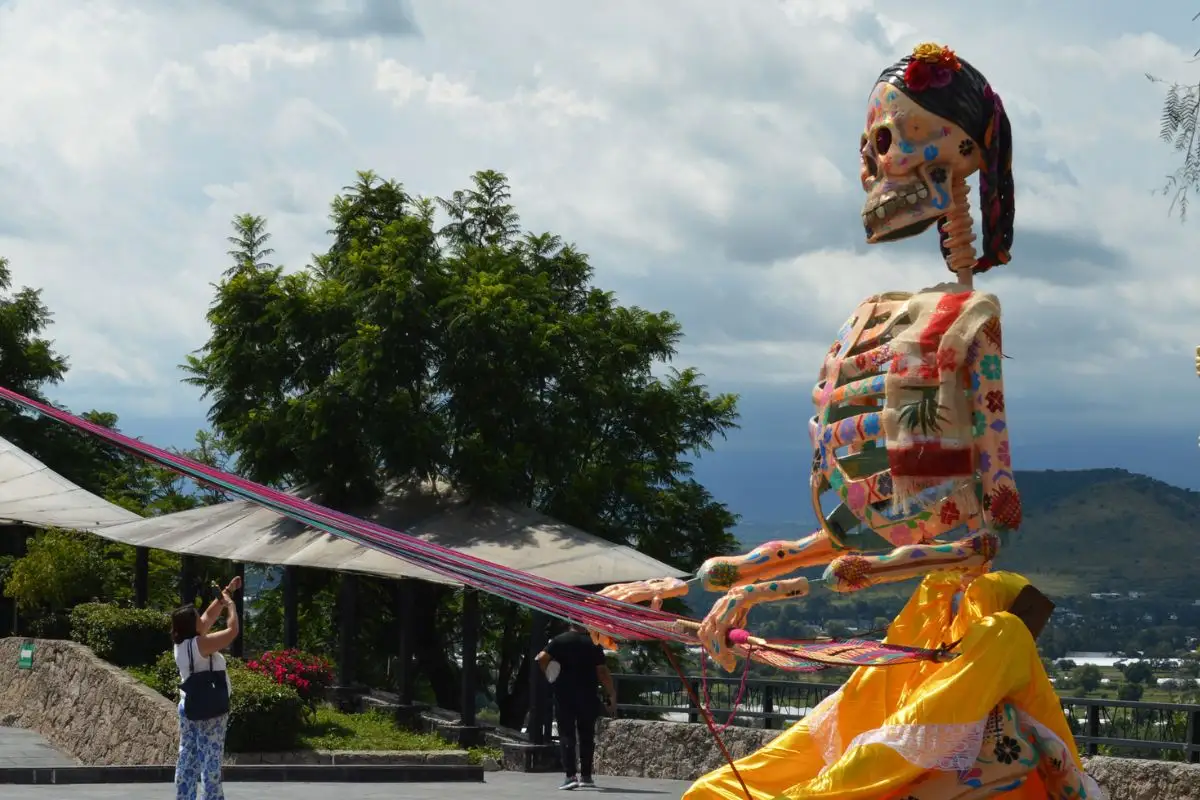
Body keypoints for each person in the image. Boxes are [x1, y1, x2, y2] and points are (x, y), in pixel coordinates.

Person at [171, 576, 242, 800]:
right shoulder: (201, 644)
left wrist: (225, 593)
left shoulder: (182, 644)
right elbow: (232, 631)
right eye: (197, 618)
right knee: (210, 760)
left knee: (187, 757)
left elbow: (208, 617)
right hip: (210, 709)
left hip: (189, 707)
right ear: (192, 626)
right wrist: (231, 606)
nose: (202, 619)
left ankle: (185, 796)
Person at [537, 622, 616, 790]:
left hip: (564, 695)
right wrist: (611, 693)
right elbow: (602, 671)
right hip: (588, 695)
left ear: (569, 622)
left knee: (567, 733)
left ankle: (570, 775)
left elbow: (541, 657)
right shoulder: (593, 643)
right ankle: (586, 776)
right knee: (587, 734)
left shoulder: (559, 641)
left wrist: (549, 674)